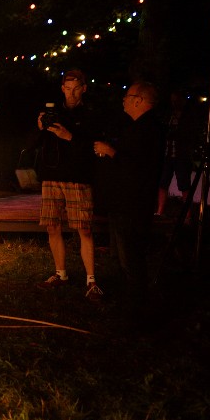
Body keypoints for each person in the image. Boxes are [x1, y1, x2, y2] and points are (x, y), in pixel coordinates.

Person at [31, 69, 104, 302]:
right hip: (51, 175)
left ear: (84, 88)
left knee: (83, 228)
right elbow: (32, 143)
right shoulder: (53, 112)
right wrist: (40, 127)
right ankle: (60, 273)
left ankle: (91, 280)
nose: (71, 93)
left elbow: (93, 147)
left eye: (76, 88)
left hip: (77, 177)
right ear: (62, 88)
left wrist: (69, 137)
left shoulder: (91, 114)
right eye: (67, 88)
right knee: (52, 226)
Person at [93, 81, 165, 311]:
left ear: (139, 100)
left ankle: (138, 311)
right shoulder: (137, 127)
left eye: (127, 95)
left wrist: (111, 152)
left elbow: (139, 167)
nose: (123, 99)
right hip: (124, 203)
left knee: (131, 258)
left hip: (133, 205)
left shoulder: (149, 129)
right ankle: (128, 303)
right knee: (123, 257)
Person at [157, 88, 200, 216]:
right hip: (167, 154)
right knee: (162, 183)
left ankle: (187, 214)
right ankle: (160, 211)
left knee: (184, 185)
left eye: (176, 100)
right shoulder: (168, 114)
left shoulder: (188, 116)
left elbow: (190, 134)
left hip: (181, 155)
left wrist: (176, 134)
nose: (174, 103)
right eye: (172, 100)